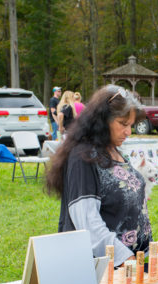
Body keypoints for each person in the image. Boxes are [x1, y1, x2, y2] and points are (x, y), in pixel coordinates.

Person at [46, 85, 150, 266]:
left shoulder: (111, 149)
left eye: (131, 125)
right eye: (123, 124)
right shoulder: (83, 157)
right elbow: (87, 221)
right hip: (105, 268)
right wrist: (123, 257)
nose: (128, 132)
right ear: (102, 120)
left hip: (129, 266)